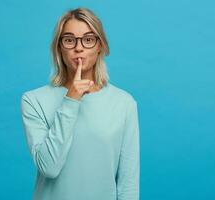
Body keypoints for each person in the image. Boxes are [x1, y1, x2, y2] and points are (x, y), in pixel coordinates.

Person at [20, 7, 140, 200]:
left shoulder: (124, 103)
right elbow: (49, 168)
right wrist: (71, 99)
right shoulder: (34, 100)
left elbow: (128, 185)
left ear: (99, 45)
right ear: (59, 47)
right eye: (69, 40)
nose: (79, 47)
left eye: (88, 39)